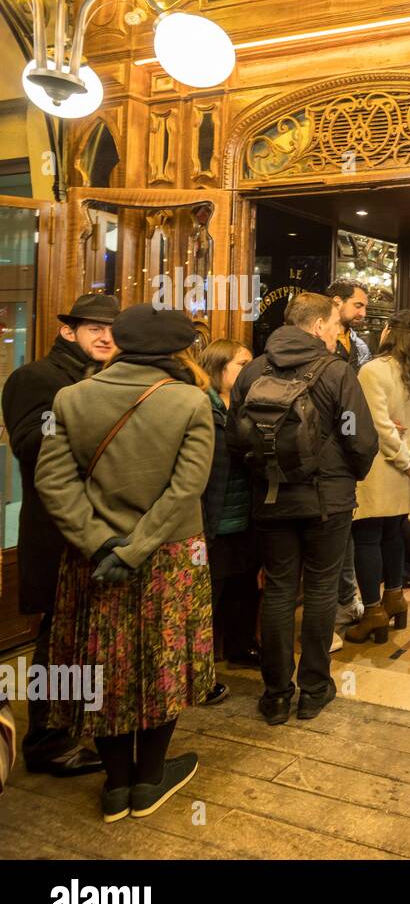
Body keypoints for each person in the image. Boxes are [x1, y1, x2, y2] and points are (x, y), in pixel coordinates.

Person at [36, 304, 215, 822]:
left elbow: (53, 481)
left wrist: (97, 543)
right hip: (170, 556)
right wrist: (138, 548)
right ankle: (150, 779)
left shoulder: (71, 398)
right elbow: (187, 487)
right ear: (176, 351)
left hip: (93, 559)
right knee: (164, 663)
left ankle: (116, 786)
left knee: (102, 665)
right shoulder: (188, 401)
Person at [228, 292, 378, 725]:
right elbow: (361, 439)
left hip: (271, 498)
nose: (337, 332)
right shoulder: (337, 372)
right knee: (321, 591)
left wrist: (264, 474)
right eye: (334, 324)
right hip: (327, 503)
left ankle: (275, 694)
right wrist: (347, 476)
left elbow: (236, 438)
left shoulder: (253, 369)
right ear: (316, 327)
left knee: (277, 591)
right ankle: (314, 689)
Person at [0, 292, 119, 780]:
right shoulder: (38, 378)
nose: (106, 337)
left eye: (112, 330)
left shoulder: (106, 378)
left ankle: (73, 727)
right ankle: (47, 742)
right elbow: (29, 445)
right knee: (58, 636)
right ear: (68, 331)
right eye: (94, 328)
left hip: (97, 528)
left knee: (84, 636)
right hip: (55, 529)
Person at [349, 310, 410, 643]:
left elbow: (378, 427)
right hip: (408, 470)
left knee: (367, 537)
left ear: (388, 332)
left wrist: (405, 460)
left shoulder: (371, 370)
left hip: (378, 467)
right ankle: (396, 599)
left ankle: (373, 611)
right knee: (392, 534)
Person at [197, 339, 260, 691]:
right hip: (213, 518)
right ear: (218, 368)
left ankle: (240, 646)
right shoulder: (200, 406)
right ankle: (199, 669)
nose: (248, 370)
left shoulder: (247, 405)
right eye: (241, 364)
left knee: (243, 589)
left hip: (244, 517)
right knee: (208, 598)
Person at [325, 279, 372, 639]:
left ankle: (347, 599)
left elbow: (362, 399)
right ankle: (332, 615)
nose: (362, 313)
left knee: (346, 531)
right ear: (335, 302)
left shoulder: (357, 346)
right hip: (327, 451)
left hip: (347, 450)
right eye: (357, 306)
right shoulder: (321, 346)